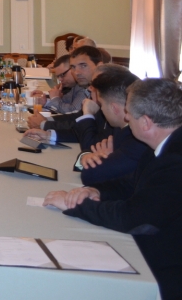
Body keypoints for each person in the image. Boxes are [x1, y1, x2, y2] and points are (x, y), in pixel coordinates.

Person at [44, 78, 182, 299]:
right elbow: (131, 184)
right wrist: (97, 191)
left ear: (146, 123)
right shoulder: (162, 145)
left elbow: (133, 218)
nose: (126, 118)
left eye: (129, 113)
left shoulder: (175, 161)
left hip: (167, 270)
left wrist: (77, 206)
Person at [73, 66, 148, 186]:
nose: (101, 109)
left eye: (102, 104)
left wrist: (103, 159)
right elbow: (92, 148)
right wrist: (86, 156)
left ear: (114, 108)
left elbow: (90, 176)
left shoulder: (137, 138)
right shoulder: (119, 128)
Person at [26, 48, 105, 144]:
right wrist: (46, 123)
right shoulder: (88, 86)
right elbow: (77, 116)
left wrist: (44, 124)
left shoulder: (107, 92)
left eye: (83, 65)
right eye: (73, 67)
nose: (77, 72)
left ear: (99, 66)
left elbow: (87, 130)